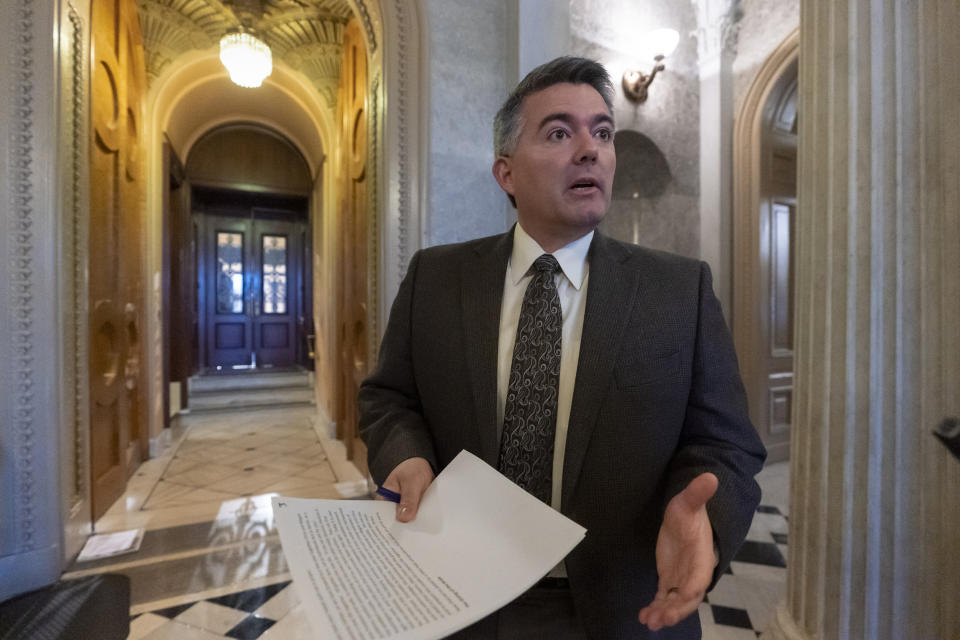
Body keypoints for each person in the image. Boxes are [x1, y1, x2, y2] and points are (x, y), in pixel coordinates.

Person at [358, 56, 766, 639]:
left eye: (603, 132)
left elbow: (725, 443)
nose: (591, 150)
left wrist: (711, 523)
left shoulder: (679, 290)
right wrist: (404, 455)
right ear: (506, 173)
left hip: (626, 606)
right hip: (460, 598)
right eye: (558, 132)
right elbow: (388, 399)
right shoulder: (436, 278)